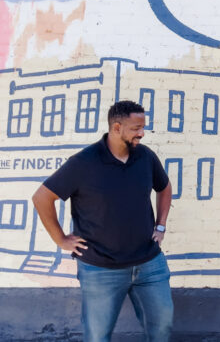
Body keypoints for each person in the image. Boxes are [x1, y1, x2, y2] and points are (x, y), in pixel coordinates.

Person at [31, 100, 174, 342]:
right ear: (116, 128)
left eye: (143, 127)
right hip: (100, 269)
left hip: (149, 264)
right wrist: (61, 239)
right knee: (97, 337)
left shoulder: (146, 157)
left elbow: (165, 187)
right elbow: (42, 197)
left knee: (162, 328)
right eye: (136, 127)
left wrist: (160, 225)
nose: (142, 132)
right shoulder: (83, 162)